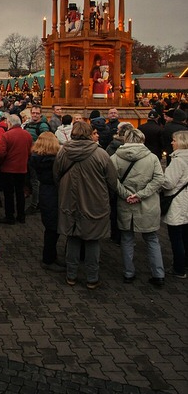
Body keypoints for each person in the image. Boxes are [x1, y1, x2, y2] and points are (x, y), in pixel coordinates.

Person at [54, 121, 118, 289]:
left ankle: (71, 275)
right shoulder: (101, 154)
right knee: (92, 240)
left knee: (72, 238)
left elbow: (56, 175)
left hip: (69, 200)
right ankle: (92, 278)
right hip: (94, 201)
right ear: (90, 134)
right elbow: (112, 181)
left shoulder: (63, 152)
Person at [111, 126, 165, 287]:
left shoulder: (115, 157)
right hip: (148, 203)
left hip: (125, 203)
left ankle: (129, 273)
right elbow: (158, 179)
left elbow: (112, 180)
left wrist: (126, 194)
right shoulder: (152, 158)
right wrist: (141, 195)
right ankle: (158, 274)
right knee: (152, 239)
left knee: (127, 239)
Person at [29, 132, 63, 271]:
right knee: (53, 229)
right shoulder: (55, 161)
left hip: (44, 192)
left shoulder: (35, 159)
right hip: (53, 193)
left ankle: (51, 256)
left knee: (50, 227)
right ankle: (48, 259)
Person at [0, 115, 33, 225]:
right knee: (20, 193)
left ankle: (9, 216)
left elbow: (1, 153)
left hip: (8, 169)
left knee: (9, 194)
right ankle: (21, 216)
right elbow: (29, 151)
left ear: (10, 123)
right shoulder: (27, 135)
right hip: (22, 168)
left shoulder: (7, 135)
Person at [161, 130, 188, 278]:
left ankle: (179, 268)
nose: (172, 143)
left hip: (177, 202)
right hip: (185, 201)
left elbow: (168, 183)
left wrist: (160, 179)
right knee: (185, 236)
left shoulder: (178, 160)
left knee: (176, 237)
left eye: (174, 140)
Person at [23, 105, 50, 213]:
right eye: (33, 113)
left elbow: (45, 142)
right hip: (29, 156)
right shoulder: (28, 124)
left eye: (37, 113)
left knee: (35, 182)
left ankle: (35, 204)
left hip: (37, 157)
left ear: (40, 114)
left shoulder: (43, 126)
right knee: (31, 180)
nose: (35, 115)